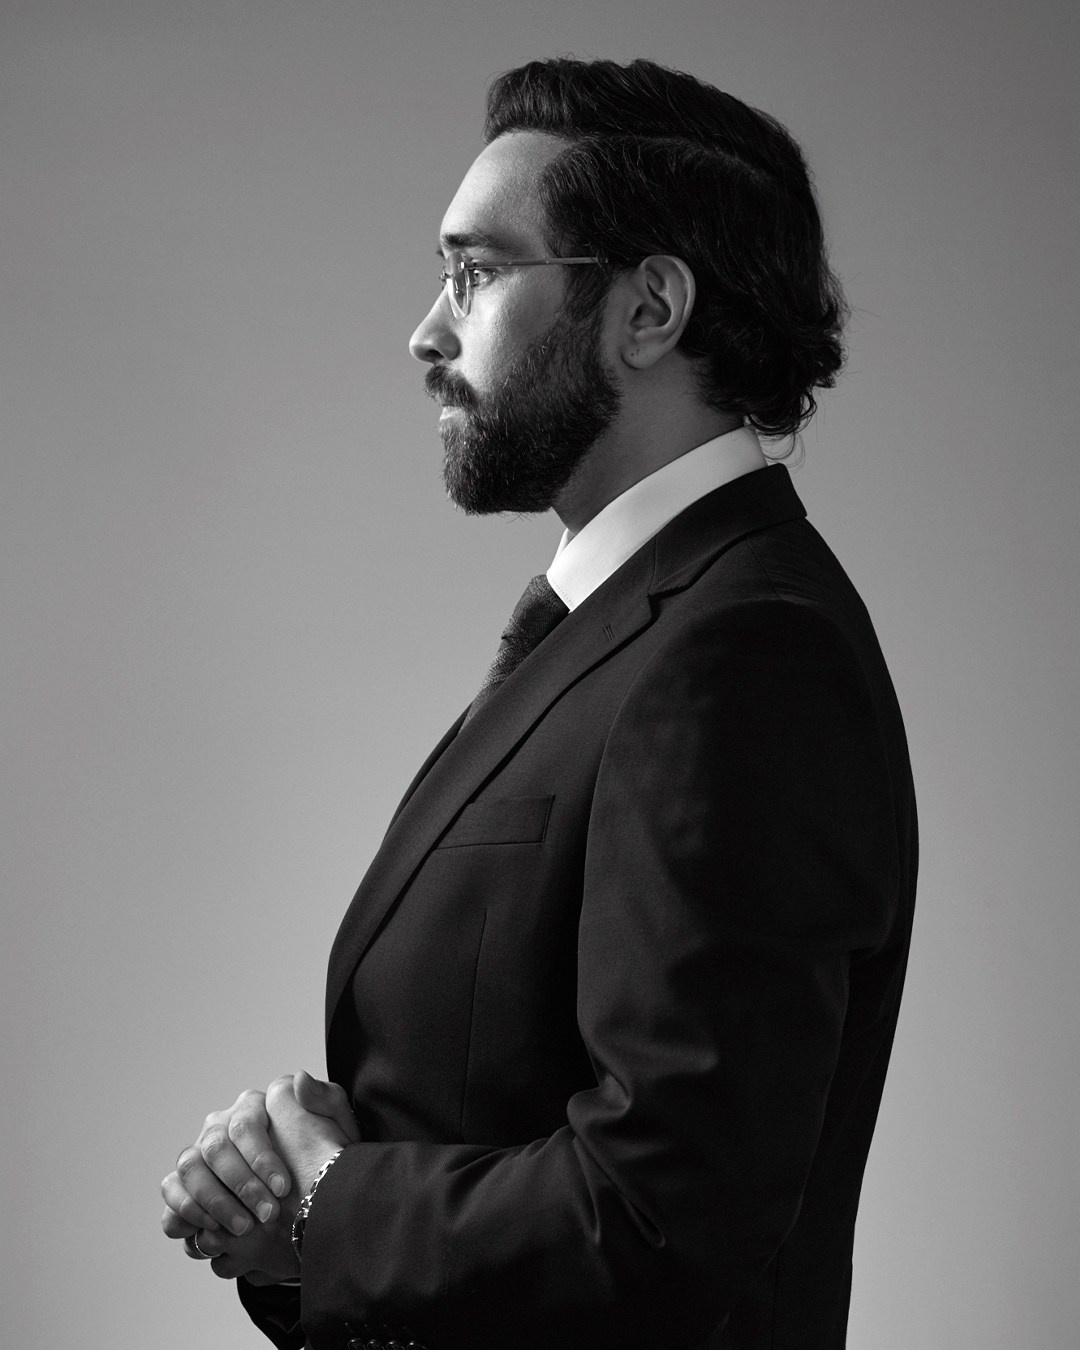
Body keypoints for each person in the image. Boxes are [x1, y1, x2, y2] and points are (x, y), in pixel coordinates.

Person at [160, 57, 917, 1350]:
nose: (426, 331)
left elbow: (667, 1212)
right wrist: (291, 1202)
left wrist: (327, 1208)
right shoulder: (629, 628)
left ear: (649, 308)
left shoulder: (745, 650)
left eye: (475, 271)